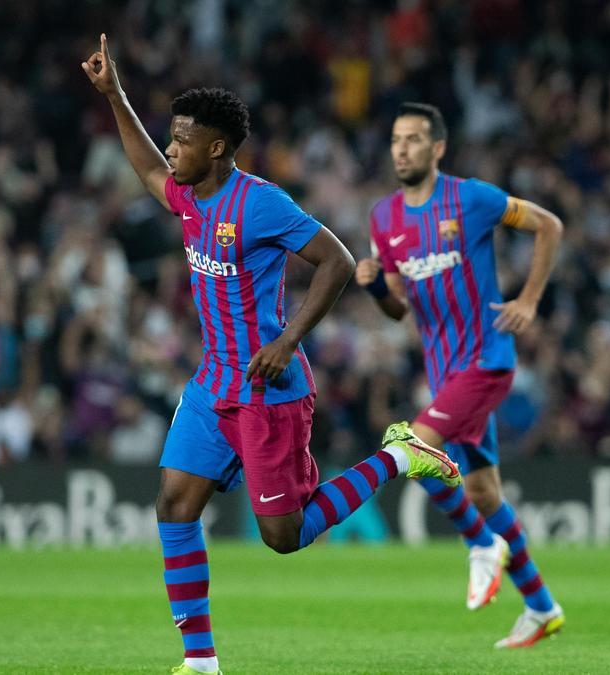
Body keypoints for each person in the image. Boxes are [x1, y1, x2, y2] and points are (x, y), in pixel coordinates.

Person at [83, 36, 461, 675]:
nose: (171, 147)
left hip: (267, 388)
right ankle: (200, 661)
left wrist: (289, 340)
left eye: (181, 138)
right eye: (170, 136)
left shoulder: (258, 203)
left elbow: (336, 260)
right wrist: (113, 93)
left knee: (283, 538)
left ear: (217, 148)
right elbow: (147, 169)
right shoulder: (188, 194)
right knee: (175, 505)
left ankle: (400, 455)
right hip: (213, 384)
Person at [356, 102, 565, 648]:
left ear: (438, 148)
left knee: (411, 449)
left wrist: (530, 298)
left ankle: (479, 544)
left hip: (486, 361)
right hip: (445, 374)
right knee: (483, 489)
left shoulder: (471, 198)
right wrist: (377, 286)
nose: (401, 148)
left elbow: (549, 225)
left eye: (414, 139)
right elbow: (399, 310)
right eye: (396, 139)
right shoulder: (384, 218)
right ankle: (541, 606)